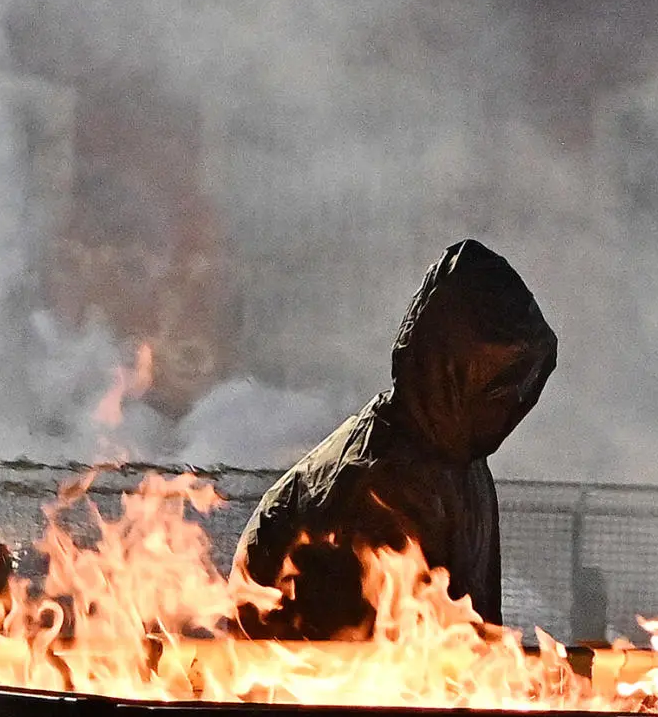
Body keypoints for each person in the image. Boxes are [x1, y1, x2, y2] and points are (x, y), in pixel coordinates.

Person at [233, 239, 557, 639]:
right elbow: (356, 670)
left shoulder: (460, 466)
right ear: (449, 370)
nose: (513, 404)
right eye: (499, 386)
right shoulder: (375, 489)